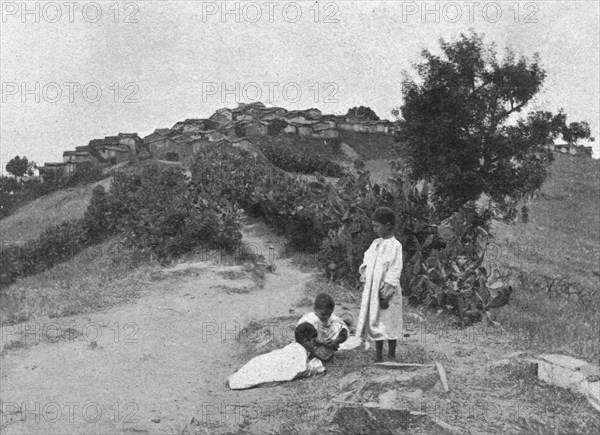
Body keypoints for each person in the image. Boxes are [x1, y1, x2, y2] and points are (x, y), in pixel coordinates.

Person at [355, 207, 403, 362]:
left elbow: (394, 270)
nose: (374, 229)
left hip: (387, 293)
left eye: (377, 226)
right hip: (373, 290)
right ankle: (378, 354)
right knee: (376, 321)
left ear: (388, 225)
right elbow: (367, 260)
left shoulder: (395, 246)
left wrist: (385, 293)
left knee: (390, 322)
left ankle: (392, 354)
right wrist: (364, 275)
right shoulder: (375, 243)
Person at [227, 323, 324, 390]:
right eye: (313, 341)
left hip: (269, 360)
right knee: (265, 369)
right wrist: (316, 368)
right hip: (274, 361)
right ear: (306, 341)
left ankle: (239, 377)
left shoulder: (297, 346)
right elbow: (301, 370)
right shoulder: (297, 350)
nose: (315, 344)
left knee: (259, 365)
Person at [297, 293, 349, 361]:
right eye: (323, 315)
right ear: (315, 309)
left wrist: (336, 341)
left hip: (324, 341)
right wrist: (323, 343)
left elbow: (344, 330)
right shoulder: (309, 320)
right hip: (308, 341)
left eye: (329, 314)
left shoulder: (331, 318)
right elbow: (303, 337)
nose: (326, 317)